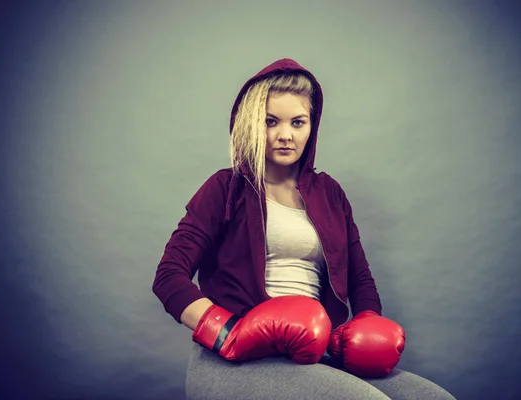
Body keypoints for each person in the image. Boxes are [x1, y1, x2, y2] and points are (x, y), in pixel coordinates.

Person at [152, 58, 456, 400]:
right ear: (253, 124)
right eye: (271, 122)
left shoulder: (329, 193)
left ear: (312, 126)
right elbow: (168, 277)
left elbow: (360, 279)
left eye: (298, 122)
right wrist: (227, 333)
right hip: (233, 362)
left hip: (308, 355)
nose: (285, 135)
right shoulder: (226, 188)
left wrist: (366, 324)